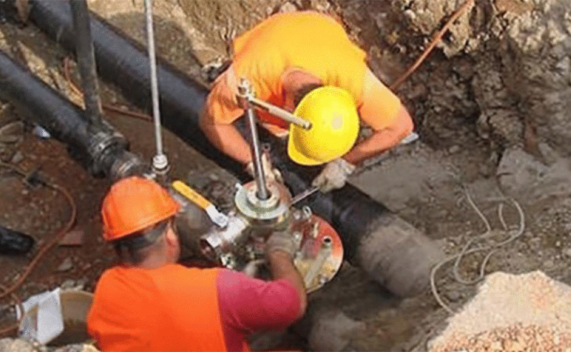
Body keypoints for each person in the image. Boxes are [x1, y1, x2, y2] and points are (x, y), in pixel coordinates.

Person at [200, 11, 414, 193]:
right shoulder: (247, 78)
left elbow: (401, 127)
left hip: (320, 29)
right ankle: (221, 69)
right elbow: (210, 121)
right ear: (286, 110)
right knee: (267, 127)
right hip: (274, 36)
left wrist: (346, 163)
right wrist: (254, 161)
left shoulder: (351, 77)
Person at [87, 176, 307, 352]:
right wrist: (279, 252)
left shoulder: (106, 290)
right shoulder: (214, 289)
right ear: (171, 235)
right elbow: (291, 304)